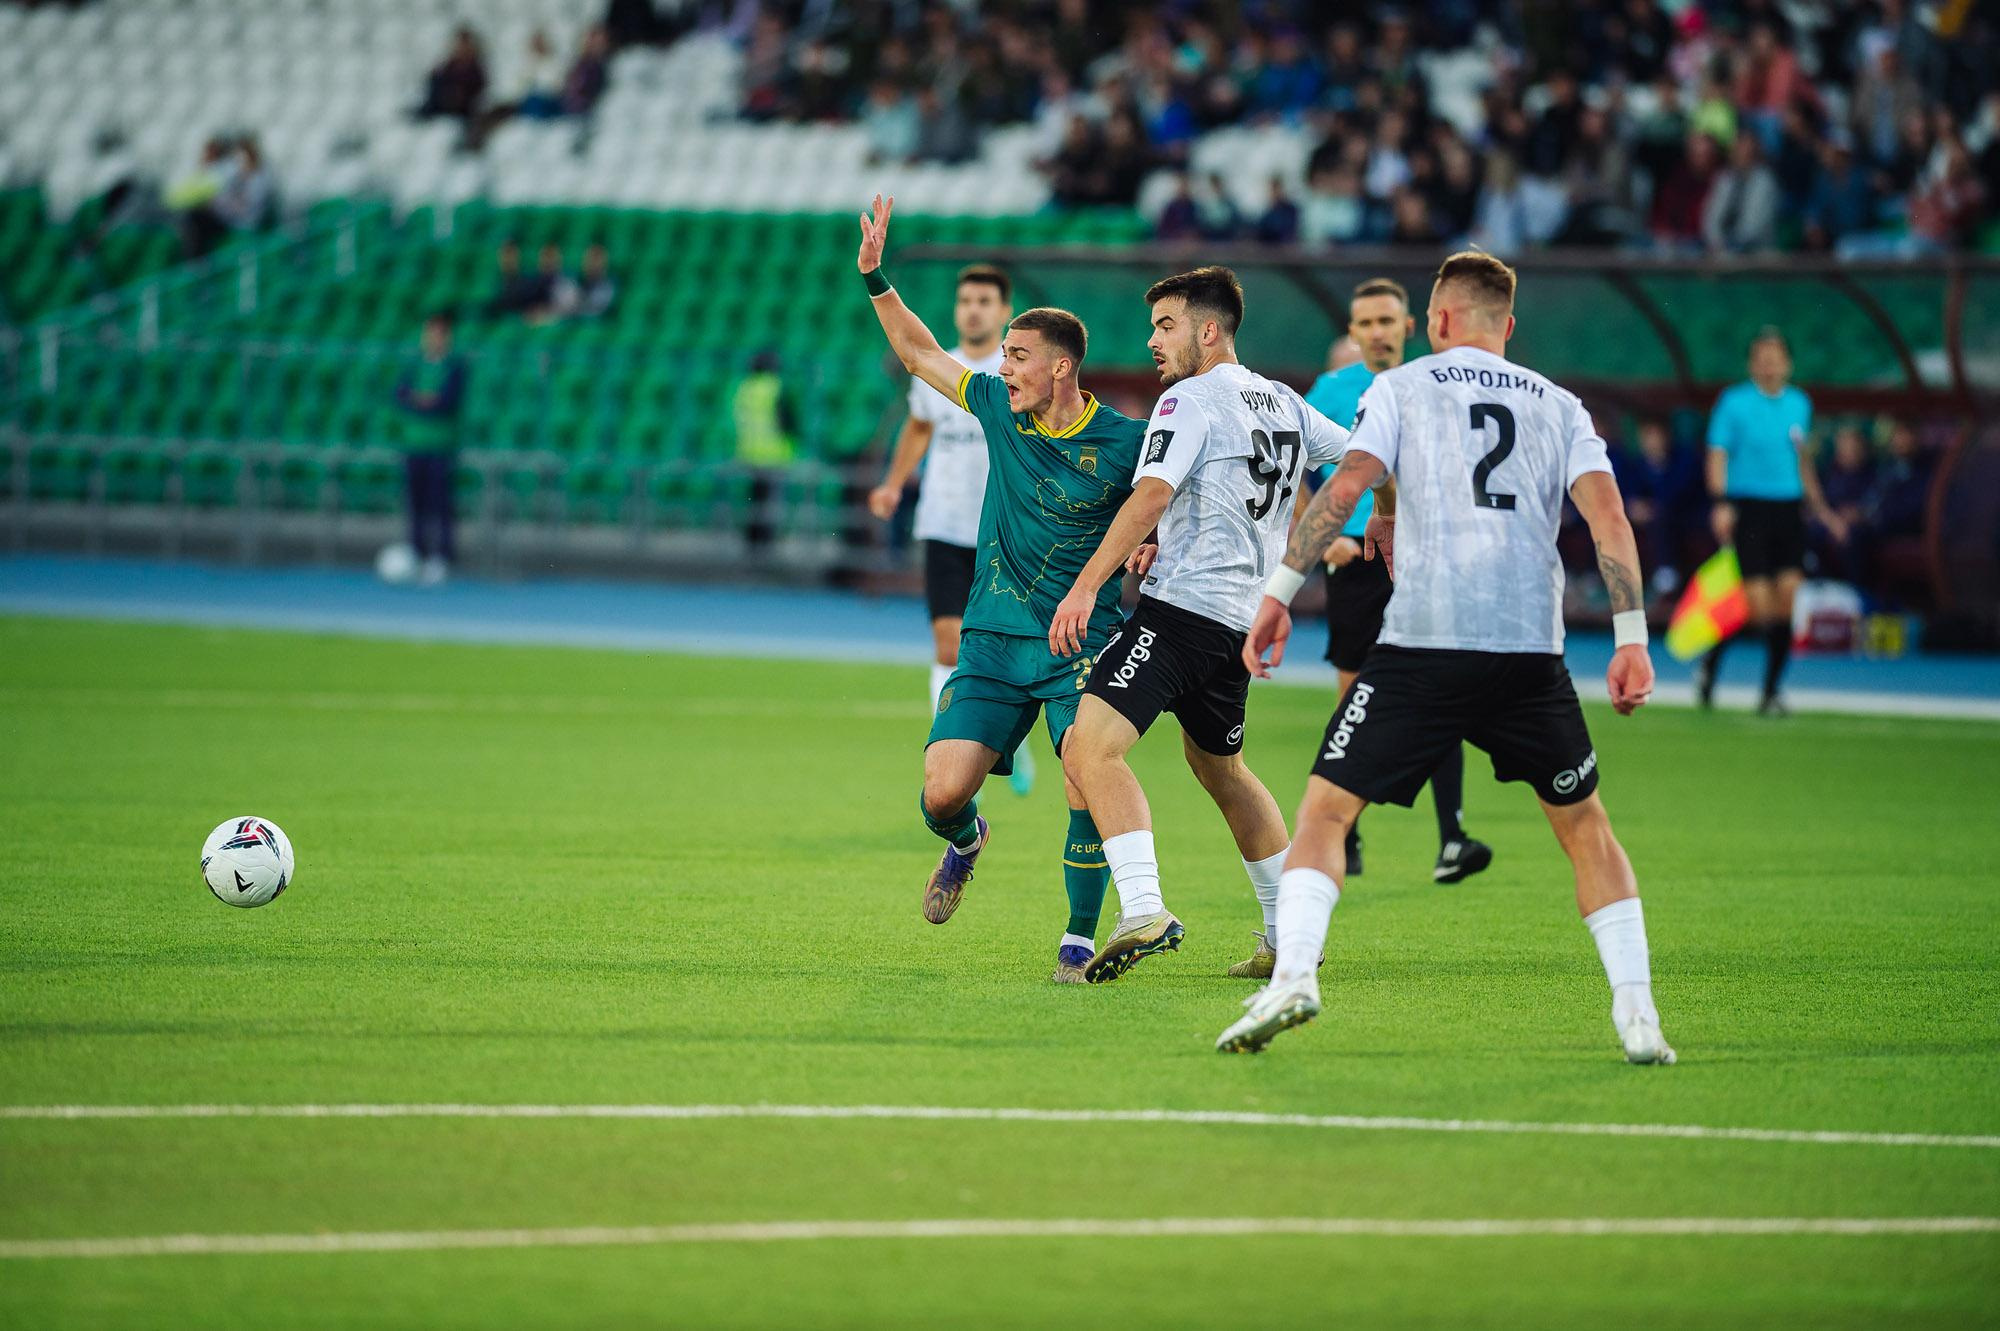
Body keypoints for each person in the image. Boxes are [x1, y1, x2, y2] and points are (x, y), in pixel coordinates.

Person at [1222, 251, 1675, 1067]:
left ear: (1433, 322)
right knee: (1588, 831)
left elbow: (1348, 484)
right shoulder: (1561, 405)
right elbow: (1608, 518)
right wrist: (1633, 637)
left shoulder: (1399, 387)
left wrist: (1279, 591)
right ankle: (1638, 1015)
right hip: (1528, 653)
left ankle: (1294, 976)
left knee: (1326, 812)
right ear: (1508, 327)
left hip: (1424, 642)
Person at [856, 195, 1145, 983]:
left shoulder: (1124, 440)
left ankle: (1079, 939)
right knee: (942, 791)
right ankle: (966, 839)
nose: (1001, 367)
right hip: (990, 638)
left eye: (1017, 355)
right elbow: (919, 356)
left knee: (1086, 779)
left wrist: (1151, 542)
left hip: (1075, 647)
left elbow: (1166, 498)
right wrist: (878, 278)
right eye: (1003, 354)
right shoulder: (996, 407)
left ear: (1060, 366)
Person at [1051, 267, 1349, 985]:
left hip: (1184, 611)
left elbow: (1152, 492)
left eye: (1166, 325)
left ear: (1208, 331)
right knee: (1220, 766)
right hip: (1241, 621)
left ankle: (1144, 908)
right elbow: (1368, 460)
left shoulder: (1188, 399)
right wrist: (1391, 516)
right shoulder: (1283, 401)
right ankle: (1289, 937)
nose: (1153, 341)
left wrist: (1086, 586)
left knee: (1087, 747)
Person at [1304, 278, 1493, 898]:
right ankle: (1345, 834)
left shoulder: (1439, 387)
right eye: (1367, 324)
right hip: (1358, 560)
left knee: (1441, 688)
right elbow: (1293, 465)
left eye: (1388, 320)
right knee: (1353, 696)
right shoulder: (1332, 391)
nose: (1379, 332)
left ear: (1410, 326)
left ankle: (1451, 837)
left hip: (1425, 556)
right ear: (1353, 334)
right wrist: (1321, 533)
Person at [866, 265, 1038, 797]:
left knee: (1007, 649)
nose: (974, 309)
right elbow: (919, 425)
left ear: (1005, 311)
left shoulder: (1019, 377)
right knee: (948, 645)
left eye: (985, 300)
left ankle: (1009, 737)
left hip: (1004, 534)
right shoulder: (942, 370)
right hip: (943, 522)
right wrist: (894, 482)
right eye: (966, 299)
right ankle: (957, 757)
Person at [1697, 329, 1843, 715]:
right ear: (1751, 363)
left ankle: (1770, 692)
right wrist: (1721, 502)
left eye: (1776, 357)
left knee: (1787, 602)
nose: (1769, 364)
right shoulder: (1734, 402)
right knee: (1756, 606)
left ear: (1788, 364)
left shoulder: (1799, 404)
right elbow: (1717, 454)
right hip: (1750, 508)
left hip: (1789, 509)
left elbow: (1802, 461)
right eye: (1762, 357)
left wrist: (1823, 509)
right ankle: (1710, 667)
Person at [391, 314, 468, 587]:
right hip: (414, 443)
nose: (433, 338)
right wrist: (424, 401)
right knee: (416, 503)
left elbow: (446, 402)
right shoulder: (414, 365)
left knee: (440, 503)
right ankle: (417, 552)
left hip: (441, 446)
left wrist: (422, 401)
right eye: (430, 333)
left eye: (438, 333)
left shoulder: (454, 366)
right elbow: (400, 395)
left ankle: (442, 557)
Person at [730, 348, 798, 551]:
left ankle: (752, 545)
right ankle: (766, 548)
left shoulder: (744, 388)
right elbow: (787, 420)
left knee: (754, 502)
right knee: (770, 505)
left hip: (749, 453)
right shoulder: (776, 387)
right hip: (774, 455)